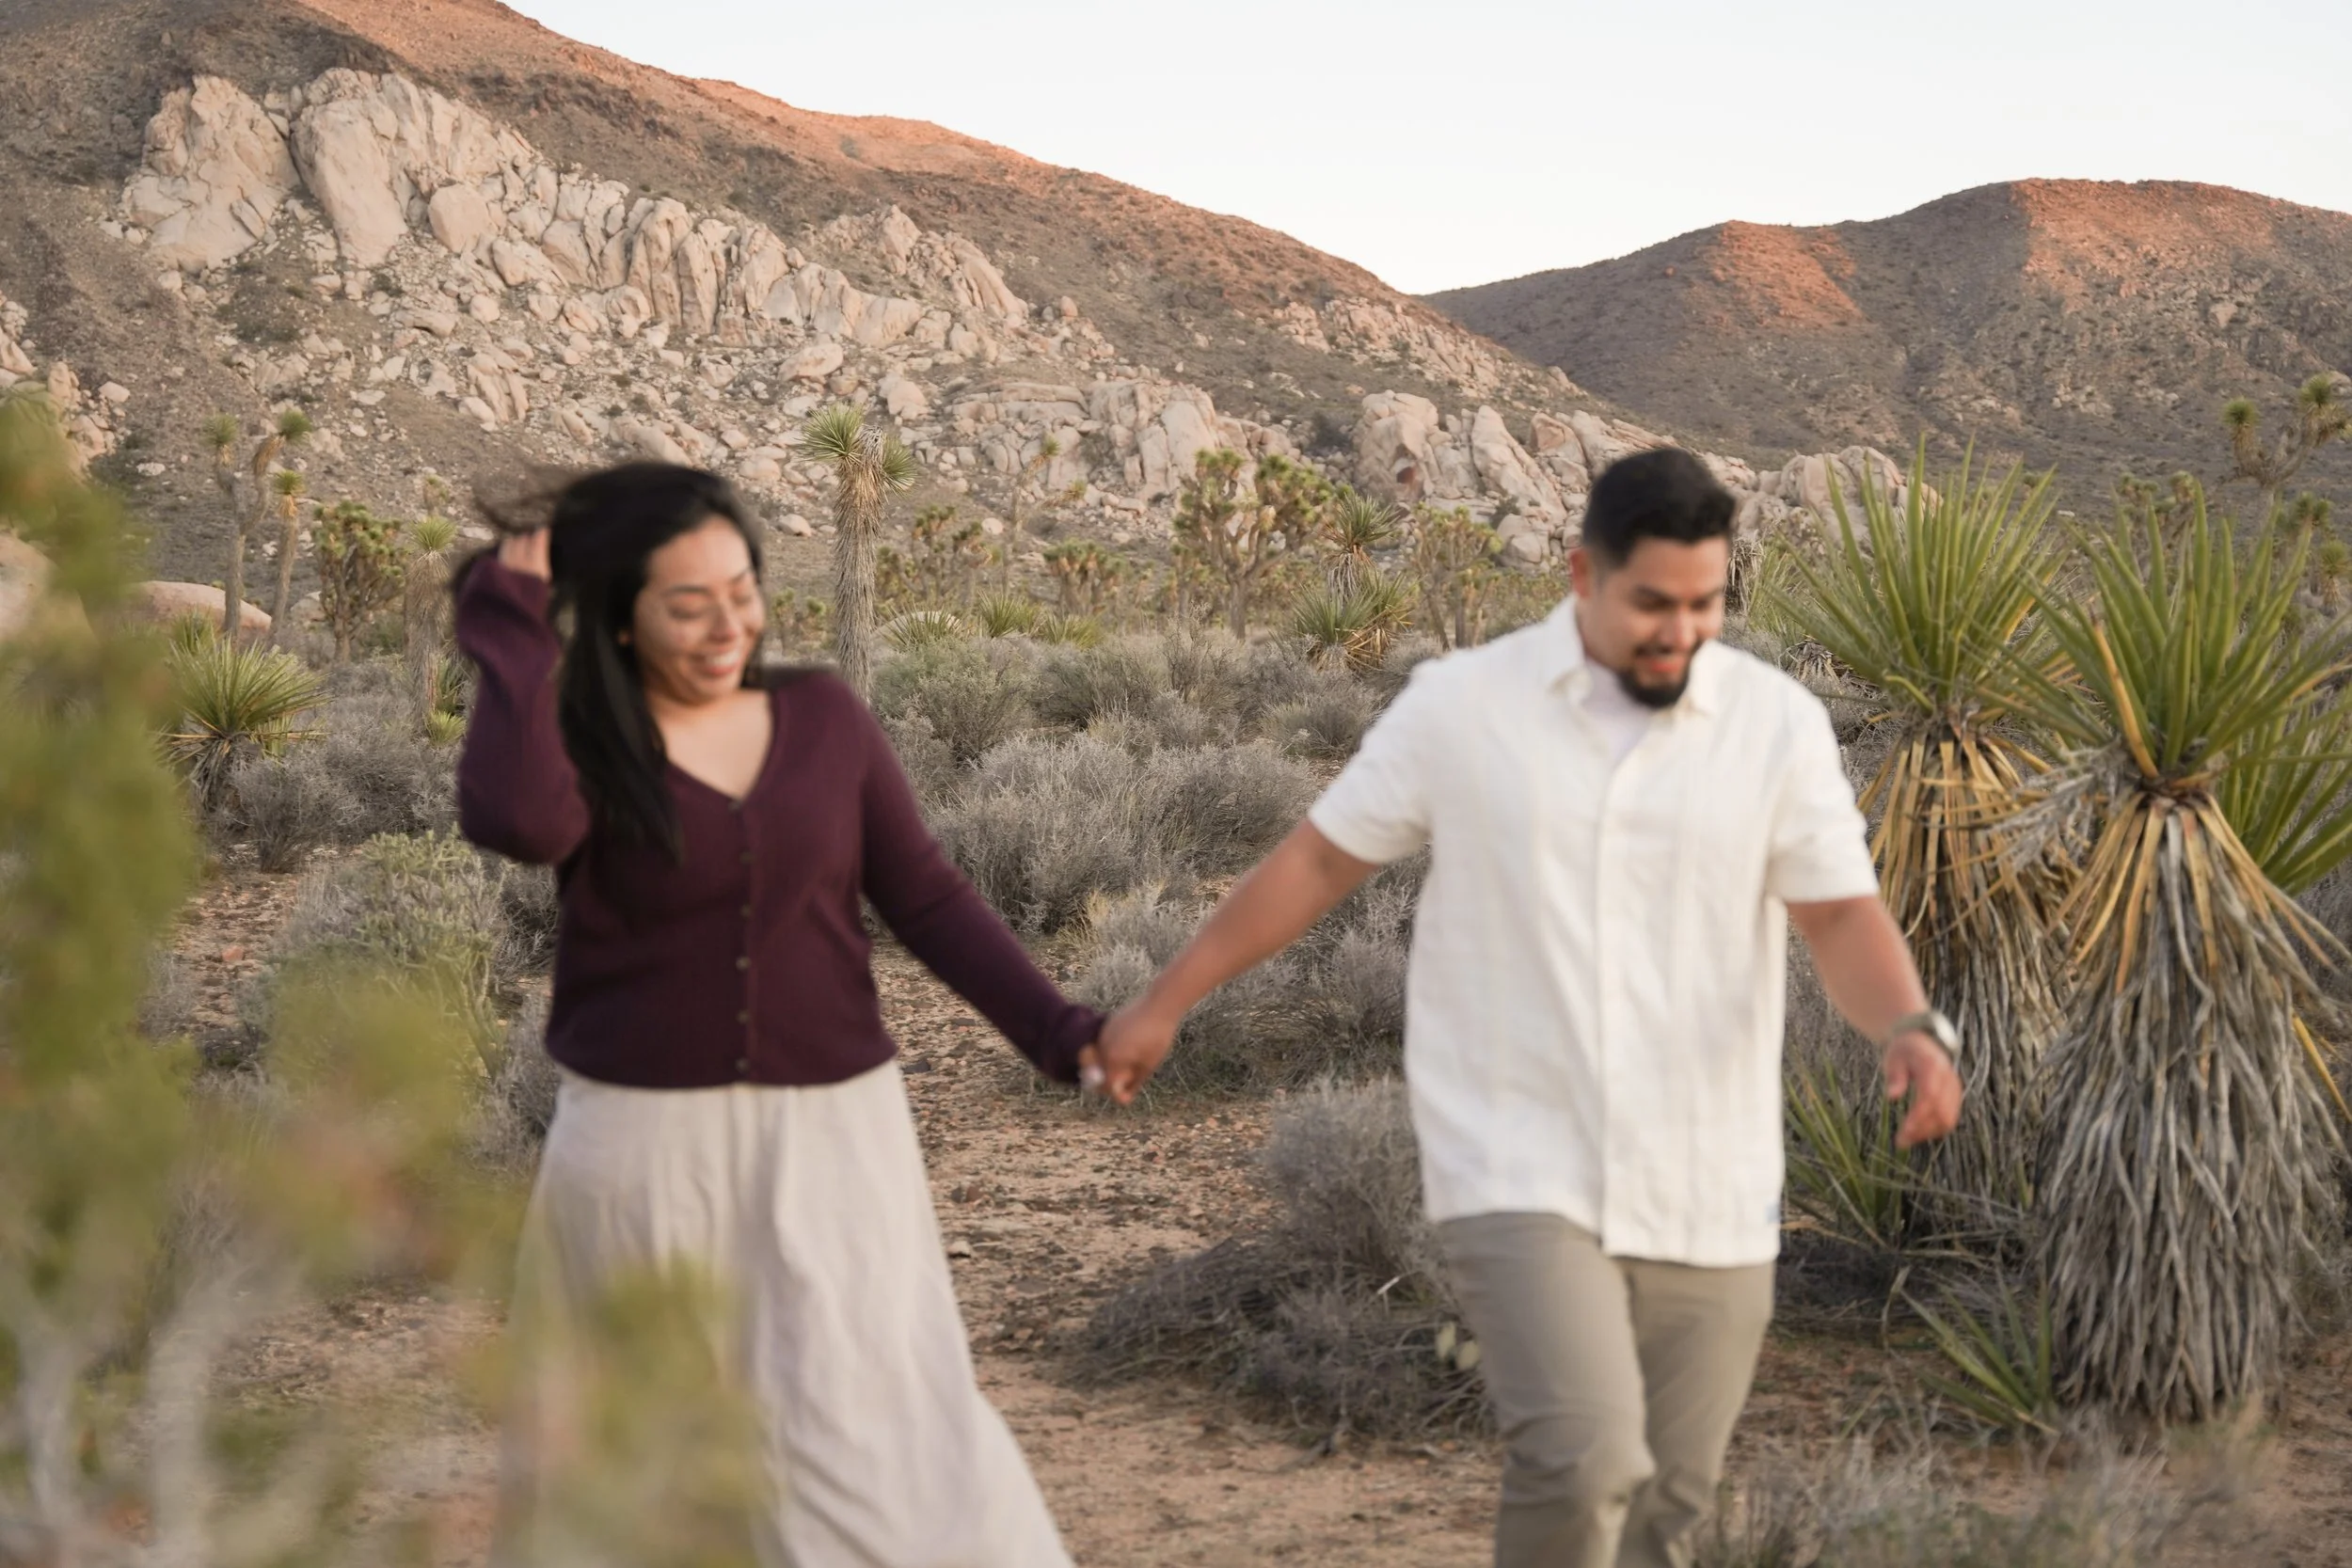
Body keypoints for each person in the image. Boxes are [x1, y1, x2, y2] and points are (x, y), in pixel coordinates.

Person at [1091, 447, 1963, 1568]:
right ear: (1580, 575)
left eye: (1704, 604)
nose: (1679, 632)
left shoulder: (1776, 724)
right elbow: (1313, 865)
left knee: (1668, 1506)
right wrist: (1166, 1001)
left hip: (1710, 1172)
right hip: (1516, 1159)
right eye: (1651, 601)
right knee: (1585, 1459)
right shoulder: (1462, 706)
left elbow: (1838, 914)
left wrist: (1906, 1025)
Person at [453, 463, 1098, 1566]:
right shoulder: (579, 744)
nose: (727, 625)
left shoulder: (822, 717)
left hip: (838, 1136)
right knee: (642, 1457)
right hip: (645, 1150)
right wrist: (508, 623)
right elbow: (518, 821)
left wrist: (1058, 1030)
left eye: (742, 589)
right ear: (616, 619)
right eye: (686, 604)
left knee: (870, 1432)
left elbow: (927, 895)